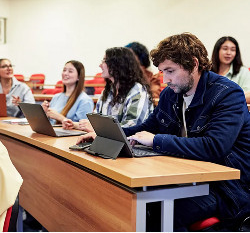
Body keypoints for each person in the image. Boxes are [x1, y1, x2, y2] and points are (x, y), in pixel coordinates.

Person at [77, 33, 250, 231]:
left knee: (157, 209)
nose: (165, 79)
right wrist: (107, 134)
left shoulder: (227, 94)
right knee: (127, 197)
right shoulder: (172, 93)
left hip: (226, 188)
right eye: (161, 71)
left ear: (193, 64)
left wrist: (157, 140)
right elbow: (147, 127)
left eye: (170, 71)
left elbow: (214, 146)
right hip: (186, 177)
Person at [63, 47, 153, 132]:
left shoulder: (138, 91)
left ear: (118, 64)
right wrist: (75, 125)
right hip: (110, 142)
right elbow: (96, 121)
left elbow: (131, 128)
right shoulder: (108, 91)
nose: (100, 65)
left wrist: (97, 129)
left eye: (104, 61)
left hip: (132, 146)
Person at [42, 60, 94, 124]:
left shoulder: (85, 100)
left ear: (78, 77)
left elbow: (83, 127)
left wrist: (60, 118)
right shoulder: (56, 97)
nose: (65, 73)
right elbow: (49, 122)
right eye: (64, 70)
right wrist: (44, 113)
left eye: (70, 71)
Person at [211, 36, 250, 103]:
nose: (228, 53)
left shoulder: (243, 71)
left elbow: (248, 96)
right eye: (225, 49)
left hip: (234, 111)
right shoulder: (207, 71)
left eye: (233, 50)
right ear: (217, 51)